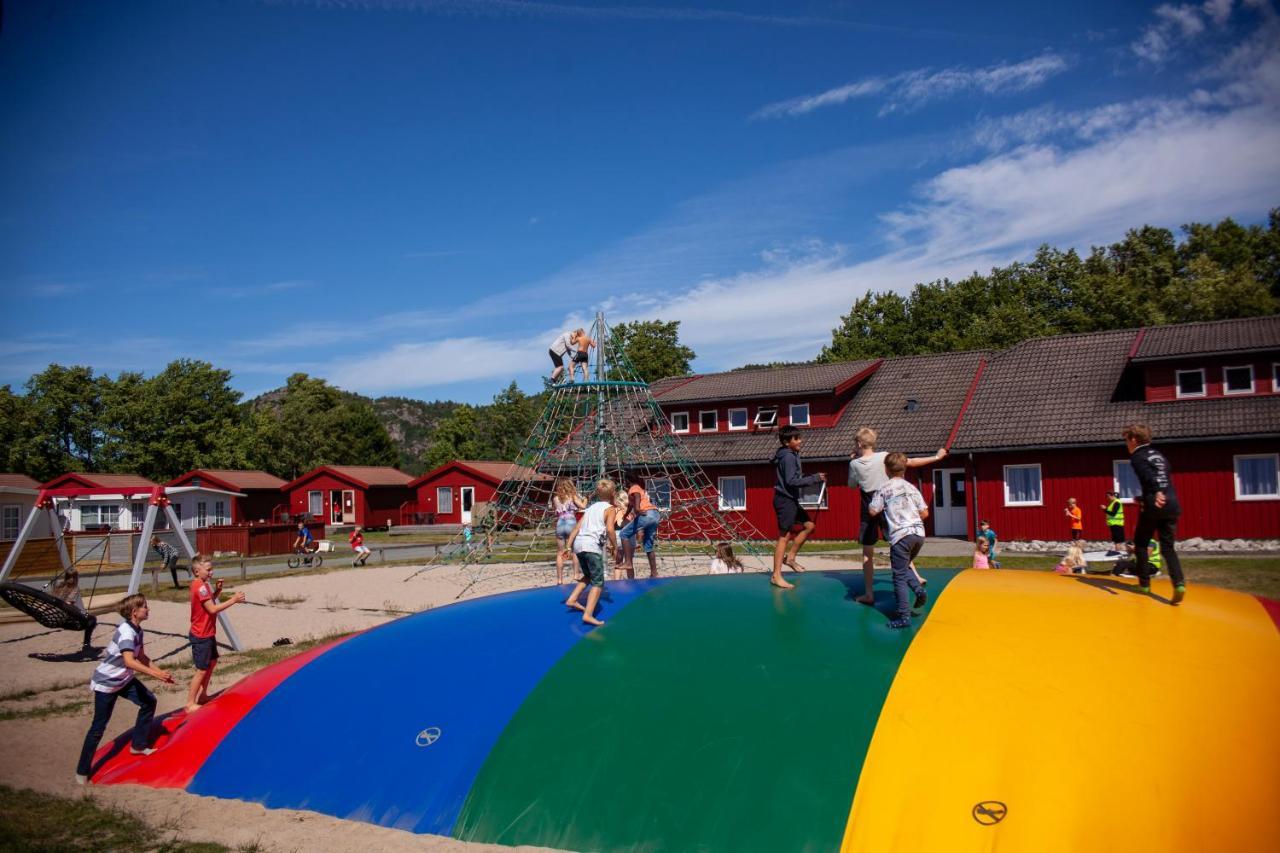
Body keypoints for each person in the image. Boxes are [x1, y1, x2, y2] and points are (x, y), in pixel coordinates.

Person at [75, 594, 174, 784]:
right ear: (134, 612)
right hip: (107, 683)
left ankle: (138, 745)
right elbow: (130, 660)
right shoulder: (126, 632)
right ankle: (82, 771)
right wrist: (155, 675)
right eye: (145, 606)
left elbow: (142, 657)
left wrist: (161, 673)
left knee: (148, 701)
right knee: (98, 727)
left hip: (124, 679)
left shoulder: (138, 630)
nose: (148, 609)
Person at [848, 428, 946, 603]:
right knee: (899, 541)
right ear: (873, 442)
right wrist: (937, 457)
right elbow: (912, 462)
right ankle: (916, 577)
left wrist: (854, 461)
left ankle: (869, 593)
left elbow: (852, 485)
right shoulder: (884, 456)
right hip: (889, 502)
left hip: (870, 505)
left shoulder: (854, 464)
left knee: (867, 551)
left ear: (859, 444)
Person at [1124, 423, 1185, 602]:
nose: (1126, 444)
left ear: (1134, 440)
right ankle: (1179, 583)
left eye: (1126, 440)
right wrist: (1145, 495)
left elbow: (1147, 476)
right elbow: (1163, 475)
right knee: (1168, 547)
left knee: (1141, 543)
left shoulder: (1137, 456)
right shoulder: (1159, 455)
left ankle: (1144, 584)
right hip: (1172, 503)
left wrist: (1156, 491)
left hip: (1155, 503)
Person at [867, 453, 928, 629]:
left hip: (900, 536)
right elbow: (925, 512)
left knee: (898, 576)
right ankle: (918, 589)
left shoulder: (884, 489)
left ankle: (904, 616)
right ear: (904, 468)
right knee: (905, 565)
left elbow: (872, 511)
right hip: (918, 534)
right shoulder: (911, 488)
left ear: (886, 469)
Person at [186, 554, 246, 715]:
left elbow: (209, 602)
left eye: (212, 569)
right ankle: (190, 703)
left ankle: (203, 695)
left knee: (212, 662)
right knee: (201, 669)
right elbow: (212, 609)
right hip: (201, 634)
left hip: (208, 632)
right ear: (197, 571)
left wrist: (218, 591)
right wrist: (233, 600)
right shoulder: (200, 586)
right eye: (209, 569)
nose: (212, 572)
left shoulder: (203, 585)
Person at [771, 425, 826, 590]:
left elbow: (794, 478)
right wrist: (814, 478)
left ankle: (791, 558)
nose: (800, 440)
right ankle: (776, 575)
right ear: (787, 442)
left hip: (791, 499)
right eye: (796, 438)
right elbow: (791, 481)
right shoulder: (787, 457)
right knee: (784, 537)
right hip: (784, 500)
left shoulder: (792, 454)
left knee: (809, 526)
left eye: (799, 437)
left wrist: (813, 478)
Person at [563, 479, 620, 626]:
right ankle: (588, 615)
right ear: (613, 493)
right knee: (598, 582)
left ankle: (572, 598)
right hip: (591, 546)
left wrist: (568, 547)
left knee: (588, 575)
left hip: (579, 545)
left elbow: (576, 528)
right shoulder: (610, 509)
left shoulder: (590, 508)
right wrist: (615, 547)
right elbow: (610, 529)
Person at [619, 472, 662, 579]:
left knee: (623, 534)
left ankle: (628, 562)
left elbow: (636, 500)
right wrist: (625, 515)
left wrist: (637, 509)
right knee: (648, 545)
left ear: (627, 480)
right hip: (655, 514)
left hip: (646, 514)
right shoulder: (639, 488)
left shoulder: (633, 488)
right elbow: (630, 505)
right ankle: (654, 573)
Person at [48, 567, 97, 650]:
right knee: (92, 619)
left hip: (53, 616)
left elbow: (53, 600)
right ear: (76, 577)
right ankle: (86, 645)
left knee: (85, 615)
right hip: (65, 618)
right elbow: (68, 604)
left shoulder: (58, 586)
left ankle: (87, 645)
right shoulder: (74, 588)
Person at [551, 478, 587, 585]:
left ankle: (559, 579)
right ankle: (576, 575)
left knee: (560, 553)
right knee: (575, 551)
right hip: (571, 522)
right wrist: (585, 499)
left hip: (560, 523)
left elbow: (556, 511)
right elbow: (583, 506)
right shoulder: (572, 496)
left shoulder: (556, 498)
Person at [1100, 491, 1126, 555]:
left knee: (1117, 540)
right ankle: (1118, 552)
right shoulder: (1113, 503)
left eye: (1108, 496)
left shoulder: (1116, 502)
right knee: (1116, 540)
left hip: (1117, 523)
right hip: (1114, 524)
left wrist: (1104, 509)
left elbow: (1113, 513)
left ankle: (1117, 553)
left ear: (1113, 496)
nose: (1107, 498)